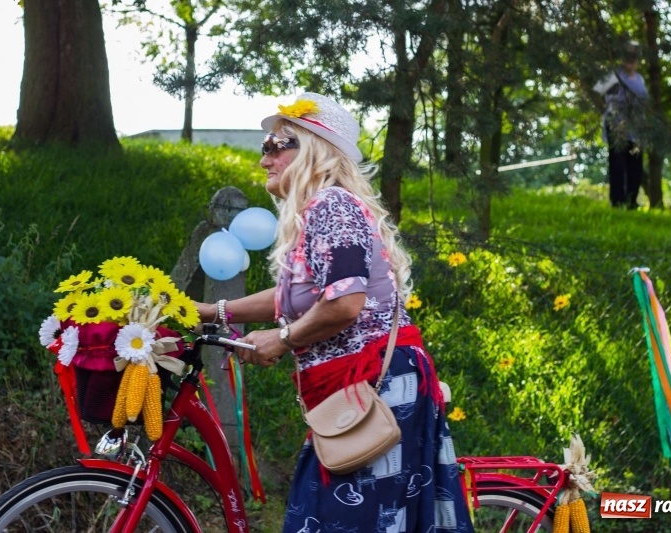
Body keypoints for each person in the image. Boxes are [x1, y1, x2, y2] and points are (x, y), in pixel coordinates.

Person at [195, 93, 475, 532]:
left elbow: (344, 304)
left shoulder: (332, 206)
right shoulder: (321, 210)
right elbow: (295, 297)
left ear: (312, 149)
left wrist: (281, 338)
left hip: (374, 388)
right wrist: (213, 311)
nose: (264, 158)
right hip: (357, 389)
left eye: (274, 146)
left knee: (344, 520)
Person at [599, 41, 648, 209]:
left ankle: (632, 201)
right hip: (616, 123)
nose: (631, 59)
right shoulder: (612, 75)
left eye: (634, 56)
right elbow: (599, 96)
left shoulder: (640, 78)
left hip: (637, 127)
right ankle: (617, 201)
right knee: (618, 163)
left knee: (635, 164)